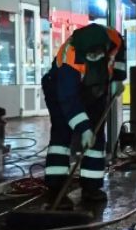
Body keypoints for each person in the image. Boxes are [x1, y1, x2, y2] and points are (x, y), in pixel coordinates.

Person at [42, 23, 126, 208]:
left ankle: (91, 187)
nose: (94, 57)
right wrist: (83, 129)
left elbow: (120, 53)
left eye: (97, 54)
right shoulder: (69, 61)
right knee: (61, 136)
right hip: (60, 92)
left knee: (96, 137)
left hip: (96, 89)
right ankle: (56, 189)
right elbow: (69, 100)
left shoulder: (113, 39)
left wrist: (118, 78)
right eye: (90, 56)